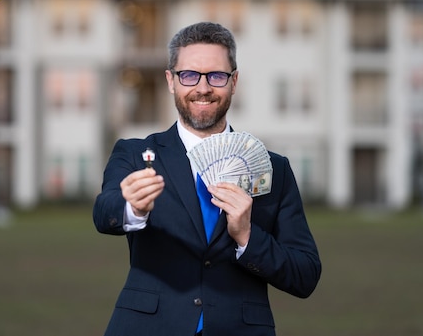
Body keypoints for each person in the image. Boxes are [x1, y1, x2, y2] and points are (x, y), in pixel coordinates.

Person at [93, 22, 321, 336]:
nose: (203, 88)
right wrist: (132, 208)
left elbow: (305, 275)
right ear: (171, 81)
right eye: (189, 75)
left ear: (234, 81)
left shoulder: (274, 169)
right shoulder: (135, 154)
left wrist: (247, 236)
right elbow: (104, 213)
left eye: (217, 75)